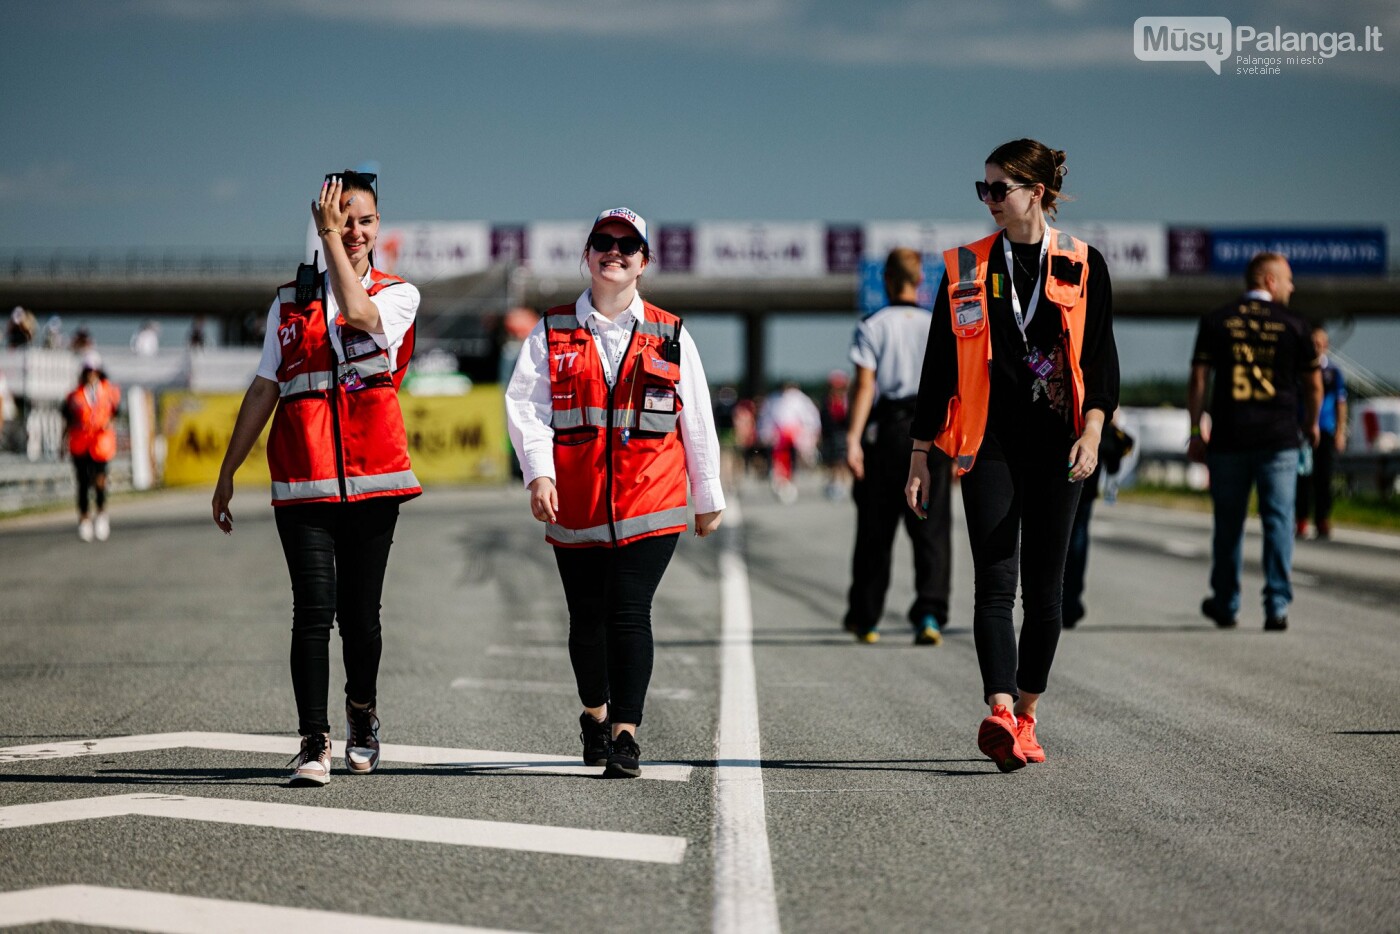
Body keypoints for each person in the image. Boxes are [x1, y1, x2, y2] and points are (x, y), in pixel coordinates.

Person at [907, 139, 1119, 772]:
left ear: (1037, 193)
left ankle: (1027, 714)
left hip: (1061, 441)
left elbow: (1101, 358)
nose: (990, 201)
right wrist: (920, 453)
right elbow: (938, 366)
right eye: (984, 189)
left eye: (1001, 189)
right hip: (989, 442)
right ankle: (999, 710)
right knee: (995, 583)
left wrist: (1095, 430)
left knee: (1046, 592)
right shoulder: (966, 267)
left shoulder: (1084, 263)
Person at [211, 171, 421, 786]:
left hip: (374, 481)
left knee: (360, 616)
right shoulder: (288, 302)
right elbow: (263, 388)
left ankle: (362, 716)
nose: (354, 232)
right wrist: (228, 472)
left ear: (378, 227)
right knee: (311, 611)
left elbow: (357, 313)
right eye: (341, 219)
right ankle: (312, 741)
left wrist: (328, 239)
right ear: (323, 221)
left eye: (364, 221)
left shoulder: (398, 294)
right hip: (303, 484)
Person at [505, 206, 725, 779]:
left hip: (649, 502)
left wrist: (708, 496)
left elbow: (695, 417)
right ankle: (594, 715)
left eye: (628, 246)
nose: (615, 252)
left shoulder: (672, 333)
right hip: (573, 503)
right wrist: (540, 473)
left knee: (630, 612)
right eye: (603, 241)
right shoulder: (550, 331)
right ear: (587, 254)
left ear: (644, 262)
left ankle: (626, 734)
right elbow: (526, 409)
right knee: (586, 620)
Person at [1187, 252, 1321, 632]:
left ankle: (1227, 603)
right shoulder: (1295, 324)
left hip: (1229, 438)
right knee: (1279, 520)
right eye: (1288, 279)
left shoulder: (1216, 321)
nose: (1292, 287)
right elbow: (1313, 385)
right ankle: (1276, 605)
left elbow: (1199, 380)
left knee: (1228, 524)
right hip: (1279, 438)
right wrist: (1311, 425)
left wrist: (1197, 431)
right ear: (1269, 280)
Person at [843, 248, 951, 646]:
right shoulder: (936, 324)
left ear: (887, 280)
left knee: (875, 529)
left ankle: (867, 617)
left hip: (888, 432)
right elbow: (954, 386)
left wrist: (853, 440)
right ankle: (929, 613)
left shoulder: (872, 324)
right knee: (932, 529)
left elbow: (866, 387)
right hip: (933, 431)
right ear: (920, 280)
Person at [1062, 415, 1133, 629]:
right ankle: (1070, 602)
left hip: (1074, 438)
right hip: (1086, 437)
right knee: (1078, 527)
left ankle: (1060, 600)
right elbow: (1112, 407)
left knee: (1071, 527)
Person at [1296, 324, 1346, 540]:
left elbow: (1341, 404)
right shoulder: (1298, 370)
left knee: (1324, 477)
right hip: (1302, 429)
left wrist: (1340, 432)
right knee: (1302, 477)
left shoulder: (1333, 373)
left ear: (1326, 346)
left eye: (1320, 344)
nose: (1317, 347)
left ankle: (1323, 518)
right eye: (1313, 343)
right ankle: (1301, 519)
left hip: (1325, 428)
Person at [64, 363, 121, 542]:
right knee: (82, 483)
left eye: (93, 371)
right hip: (80, 444)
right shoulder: (74, 395)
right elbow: (67, 419)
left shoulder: (108, 391)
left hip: (101, 445)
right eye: (87, 372)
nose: (90, 375)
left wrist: (109, 423)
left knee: (100, 481)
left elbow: (116, 413)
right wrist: (62, 441)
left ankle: (102, 513)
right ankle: (84, 518)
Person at [758, 381, 821, 503]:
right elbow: (766, 418)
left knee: (792, 462)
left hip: (796, 437)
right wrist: (766, 433)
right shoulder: (774, 399)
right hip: (779, 437)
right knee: (779, 461)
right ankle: (781, 482)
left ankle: (788, 482)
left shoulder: (801, 399)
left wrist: (809, 434)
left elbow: (810, 418)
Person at [819, 369, 851, 500]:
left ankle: (842, 484)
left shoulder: (847, 400)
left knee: (842, 461)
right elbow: (823, 419)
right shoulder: (827, 401)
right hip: (830, 435)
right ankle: (834, 483)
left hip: (844, 434)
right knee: (832, 461)